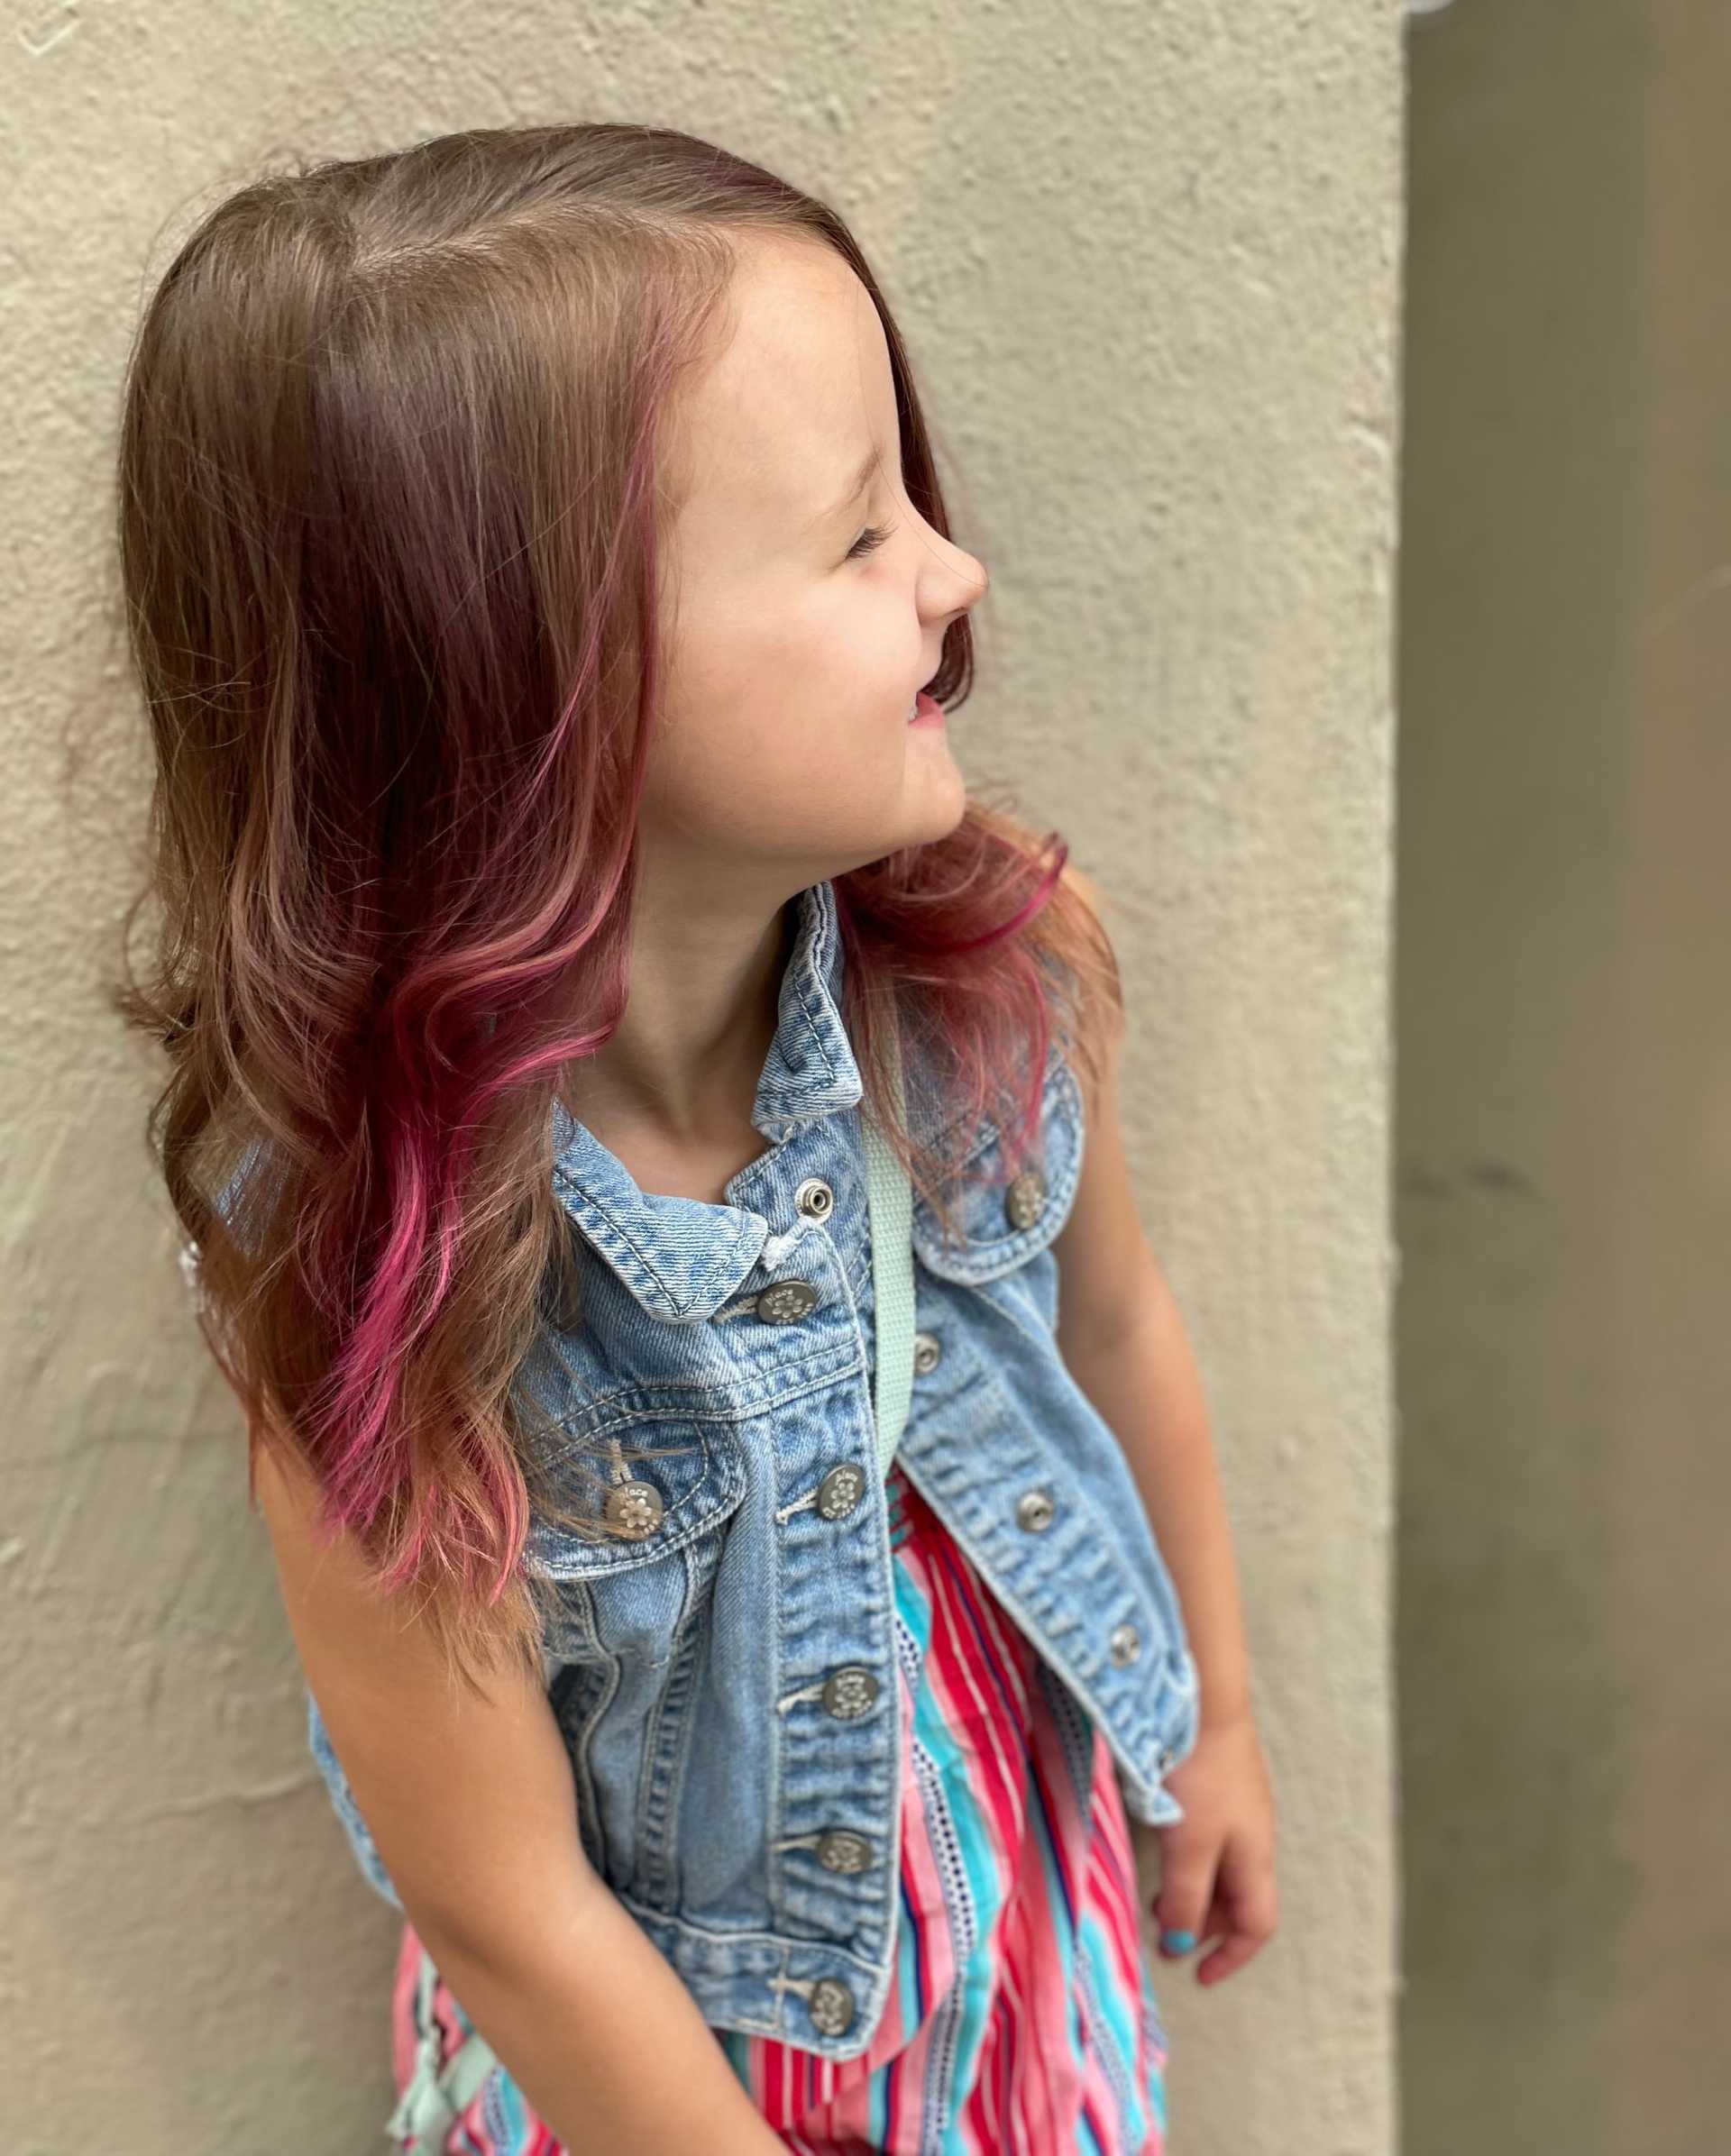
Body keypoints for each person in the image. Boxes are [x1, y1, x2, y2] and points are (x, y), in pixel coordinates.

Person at [115, 121, 1278, 2153]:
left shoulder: (990, 979)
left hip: (1013, 1995)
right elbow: (508, 1906)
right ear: (548, 698)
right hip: (656, 2082)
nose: (954, 567)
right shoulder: (388, 1271)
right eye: (856, 537)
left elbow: (1118, 1329)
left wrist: (1226, 1728)